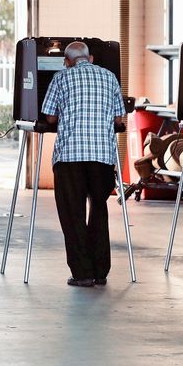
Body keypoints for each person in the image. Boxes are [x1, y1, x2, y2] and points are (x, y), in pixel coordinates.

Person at [41, 41, 125, 287]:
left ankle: (82, 273)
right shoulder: (109, 77)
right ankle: (100, 271)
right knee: (98, 209)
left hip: (70, 156)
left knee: (72, 213)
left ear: (66, 61)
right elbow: (119, 117)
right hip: (102, 157)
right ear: (91, 58)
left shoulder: (61, 78)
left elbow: (50, 116)